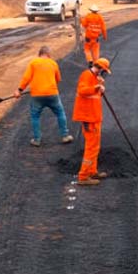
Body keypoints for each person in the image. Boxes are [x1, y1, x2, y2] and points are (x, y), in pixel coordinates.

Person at [15, 45, 73, 147]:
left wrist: (19, 90)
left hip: (37, 95)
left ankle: (37, 140)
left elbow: (26, 78)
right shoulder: (53, 63)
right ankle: (65, 136)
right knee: (60, 113)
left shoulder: (34, 63)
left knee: (35, 116)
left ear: (39, 54)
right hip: (52, 94)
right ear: (48, 54)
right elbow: (58, 79)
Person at [72, 57, 111, 186]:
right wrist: (96, 87)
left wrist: (100, 89)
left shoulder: (94, 77)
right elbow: (82, 90)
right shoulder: (86, 75)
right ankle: (83, 176)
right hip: (88, 118)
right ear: (100, 69)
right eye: (104, 71)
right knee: (91, 147)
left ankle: (92, 171)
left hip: (94, 117)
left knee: (95, 147)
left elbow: (93, 95)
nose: (104, 74)